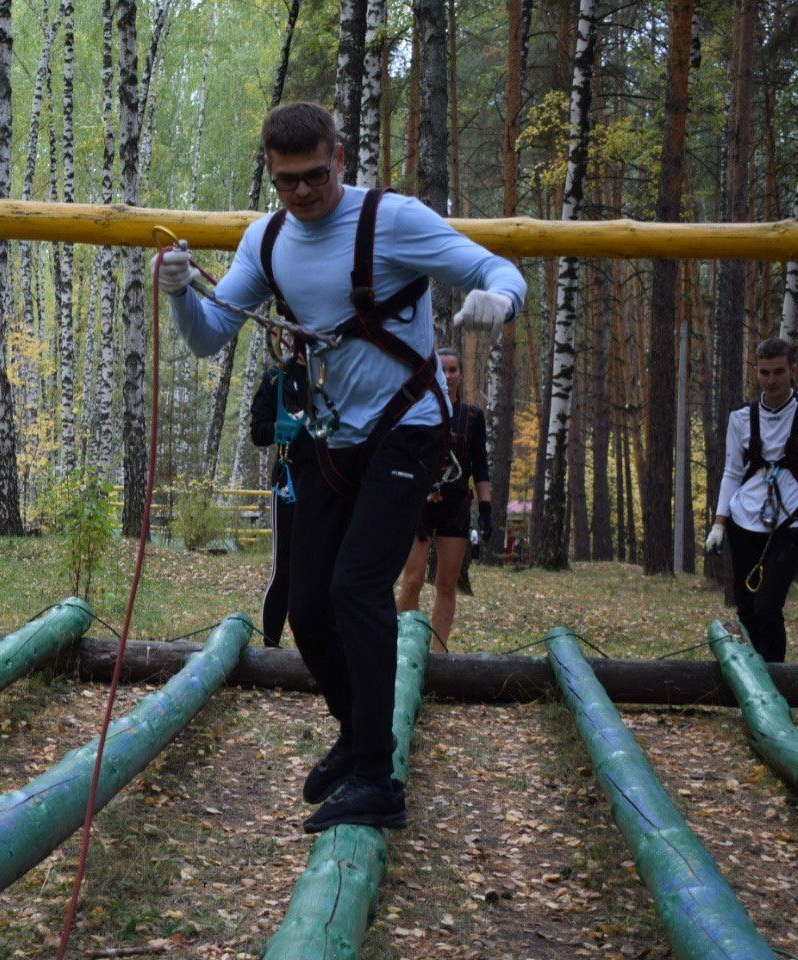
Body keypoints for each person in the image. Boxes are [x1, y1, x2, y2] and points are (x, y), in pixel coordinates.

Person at [156, 101, 525, 832]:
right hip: (330, 439)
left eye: (315, 176)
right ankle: (357, 740)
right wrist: (178, 293)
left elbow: (495, 264)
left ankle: (378, 778)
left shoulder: (393, 220)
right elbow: (207, 339)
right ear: (271, 171)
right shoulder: (266, 243)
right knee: (303, 604)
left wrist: (499, 299)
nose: (302, 193)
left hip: (410, 430)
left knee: (358, 586)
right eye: (287, 180)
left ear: (341, 158)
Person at [706, 337, 798, 662]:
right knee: (746, 607)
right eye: (764, 372)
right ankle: (752, 679)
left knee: (768, 605)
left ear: (793, 370)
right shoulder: (741, 418)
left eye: (778, 372)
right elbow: (731, 472)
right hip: (743, 521)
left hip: (790, 524)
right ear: (756, 371)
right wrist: (719, 523)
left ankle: (775, 681)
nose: (771, 380)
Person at [397, 347, 490, 649]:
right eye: (443, 370)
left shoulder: (472, 416)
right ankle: (405, 646)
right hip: (418, 505)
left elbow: (481, 465)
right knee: (412, 580)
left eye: (453, 370)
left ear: (461, 375)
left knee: (446, 584)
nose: (448, 376)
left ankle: (438, 654)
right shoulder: (417, 411)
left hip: (457, 506)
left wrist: (486, 509)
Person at [250, 358, 308, 649]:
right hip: (289, 481)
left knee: (321, 569)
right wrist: (284, 427)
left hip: (329, 482)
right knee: (285, 569)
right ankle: (271, 649)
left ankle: (319, 649)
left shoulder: (333, 370)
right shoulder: (278, 378)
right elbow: (257, 432)